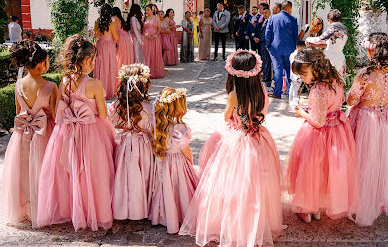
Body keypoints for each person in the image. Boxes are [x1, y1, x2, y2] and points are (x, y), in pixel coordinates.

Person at [179, 50, 283, 247]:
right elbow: (263, 111)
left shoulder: (234, 95)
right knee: (256, 184)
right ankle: (255, 222)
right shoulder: (262, 89)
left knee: (231, 183)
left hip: (237, 139)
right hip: (259, 137)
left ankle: (232, 223)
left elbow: (227, 117)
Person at [37, 34, 116, 231]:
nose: (95, 63)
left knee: (71, 171)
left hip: (68, 132)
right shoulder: (94, 84)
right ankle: (95, 211)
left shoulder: (65, 80)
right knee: (93, 172)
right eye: (94, 59)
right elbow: (103, 113)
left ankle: (71, 209)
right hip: (91, 133)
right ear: (87, 60)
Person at [285, 47, 358, 223]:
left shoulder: (318, 90)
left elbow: (317, 121)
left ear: (315, 68)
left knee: (310, 171)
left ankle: (307, 208)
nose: (302, 79)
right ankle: (317, 206)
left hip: (318, 135)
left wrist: (302, 113)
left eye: (303, 74)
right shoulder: (335, 81)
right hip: (337, 132)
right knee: (326, 172)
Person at [347, 33, 388, 226]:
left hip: (365, 119)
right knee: (381, 159)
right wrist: (385, 100)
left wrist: (368, 101)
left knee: (362, 160)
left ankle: (360, 202)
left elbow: (351, 100)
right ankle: (378, 200)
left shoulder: (365, 73)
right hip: (386, 120)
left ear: (370, 51)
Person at [1, 40, 58, 228]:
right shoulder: (51, 86)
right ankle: (45, 208)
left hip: (23, 134)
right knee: (45, 171)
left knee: (24, 172)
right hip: (45, 134)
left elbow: (19, 112)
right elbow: (55, 116)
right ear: (42, 63)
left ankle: (27, 209)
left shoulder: (18, 85)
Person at [150, 87, 199, 234]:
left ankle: (165, 216)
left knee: (167, 188)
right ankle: (182, 213)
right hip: (178, 163)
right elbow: (187, 150)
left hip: (165, 163)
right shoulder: (180, 129)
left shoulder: (158, 126)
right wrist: (190, 164)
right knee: (181, 188)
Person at [109, 64, 155, 221]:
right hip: (143, 145)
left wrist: (127, 127)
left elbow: (113, 123)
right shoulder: (148, 107)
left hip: (124, 145)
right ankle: (141, 208)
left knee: (125, 175)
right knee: (143, 174)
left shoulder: (117, 106)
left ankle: (124, 208)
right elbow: (152, 128)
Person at [265, 0, 299, 99]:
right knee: (289, 70)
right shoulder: (293, 19)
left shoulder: (272, 18)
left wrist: (268, 46)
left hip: (275, 48)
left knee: (278, 70)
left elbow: (268, 34)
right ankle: (289, 92)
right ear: (289, 8)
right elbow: (295, 36)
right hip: (289, 48)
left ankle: (277, 92)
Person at [289, 17, 324, 107]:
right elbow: (299, 39)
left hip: (311, 55)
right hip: (303, 53)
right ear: (313, 24)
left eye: (319, 26)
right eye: (316, 26)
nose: (317, 28)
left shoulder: (320, 34)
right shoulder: (306, 28)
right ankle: (293, 98)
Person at [306, 9, 348, 77]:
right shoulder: (345, 29)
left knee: (328, 79)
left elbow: (320, 39)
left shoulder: (332, 28)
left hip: (330, 57)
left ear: (329, 20)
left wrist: (308, 39)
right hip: (340, 57)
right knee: (339, 79)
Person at [93, 3, 119, 99]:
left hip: (100, 45)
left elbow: (95, 34)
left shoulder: (97, 21)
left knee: (100, 67)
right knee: (108, 67)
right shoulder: (111, 23)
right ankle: (108, 91)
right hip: (108, 46)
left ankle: (98, 91)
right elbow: (116, 37)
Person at [142, 4, 165, 79]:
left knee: (155, 54)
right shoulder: (144, 18)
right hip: (146, 39)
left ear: (152, 10)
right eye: (146, 10)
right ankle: (147, 72)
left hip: (156, 39)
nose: (146, 11)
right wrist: (146, 34)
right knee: (147, 55)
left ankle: (156, 72)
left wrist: (155, 35)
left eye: (148, 10)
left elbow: (159, 29)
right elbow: (141, 29)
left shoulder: (157, 18)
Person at [112, 7, 134, 72]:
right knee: (126, 55)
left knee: (120, 56)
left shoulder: (114, 19)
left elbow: (115, 30)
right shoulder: (121, 19)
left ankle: (120, 72)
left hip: (121, 38)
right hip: (126, 37)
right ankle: (126, 72)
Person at [255, 3, 272, 87]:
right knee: (264, 60)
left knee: (267, 61)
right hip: (262, 42)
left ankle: (267, 77)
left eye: (266, 13)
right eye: (263, 13)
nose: (264, 14)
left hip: (266, 43)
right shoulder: (264, 20)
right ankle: (265, 74)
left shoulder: (270, 21)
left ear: (269, 13)